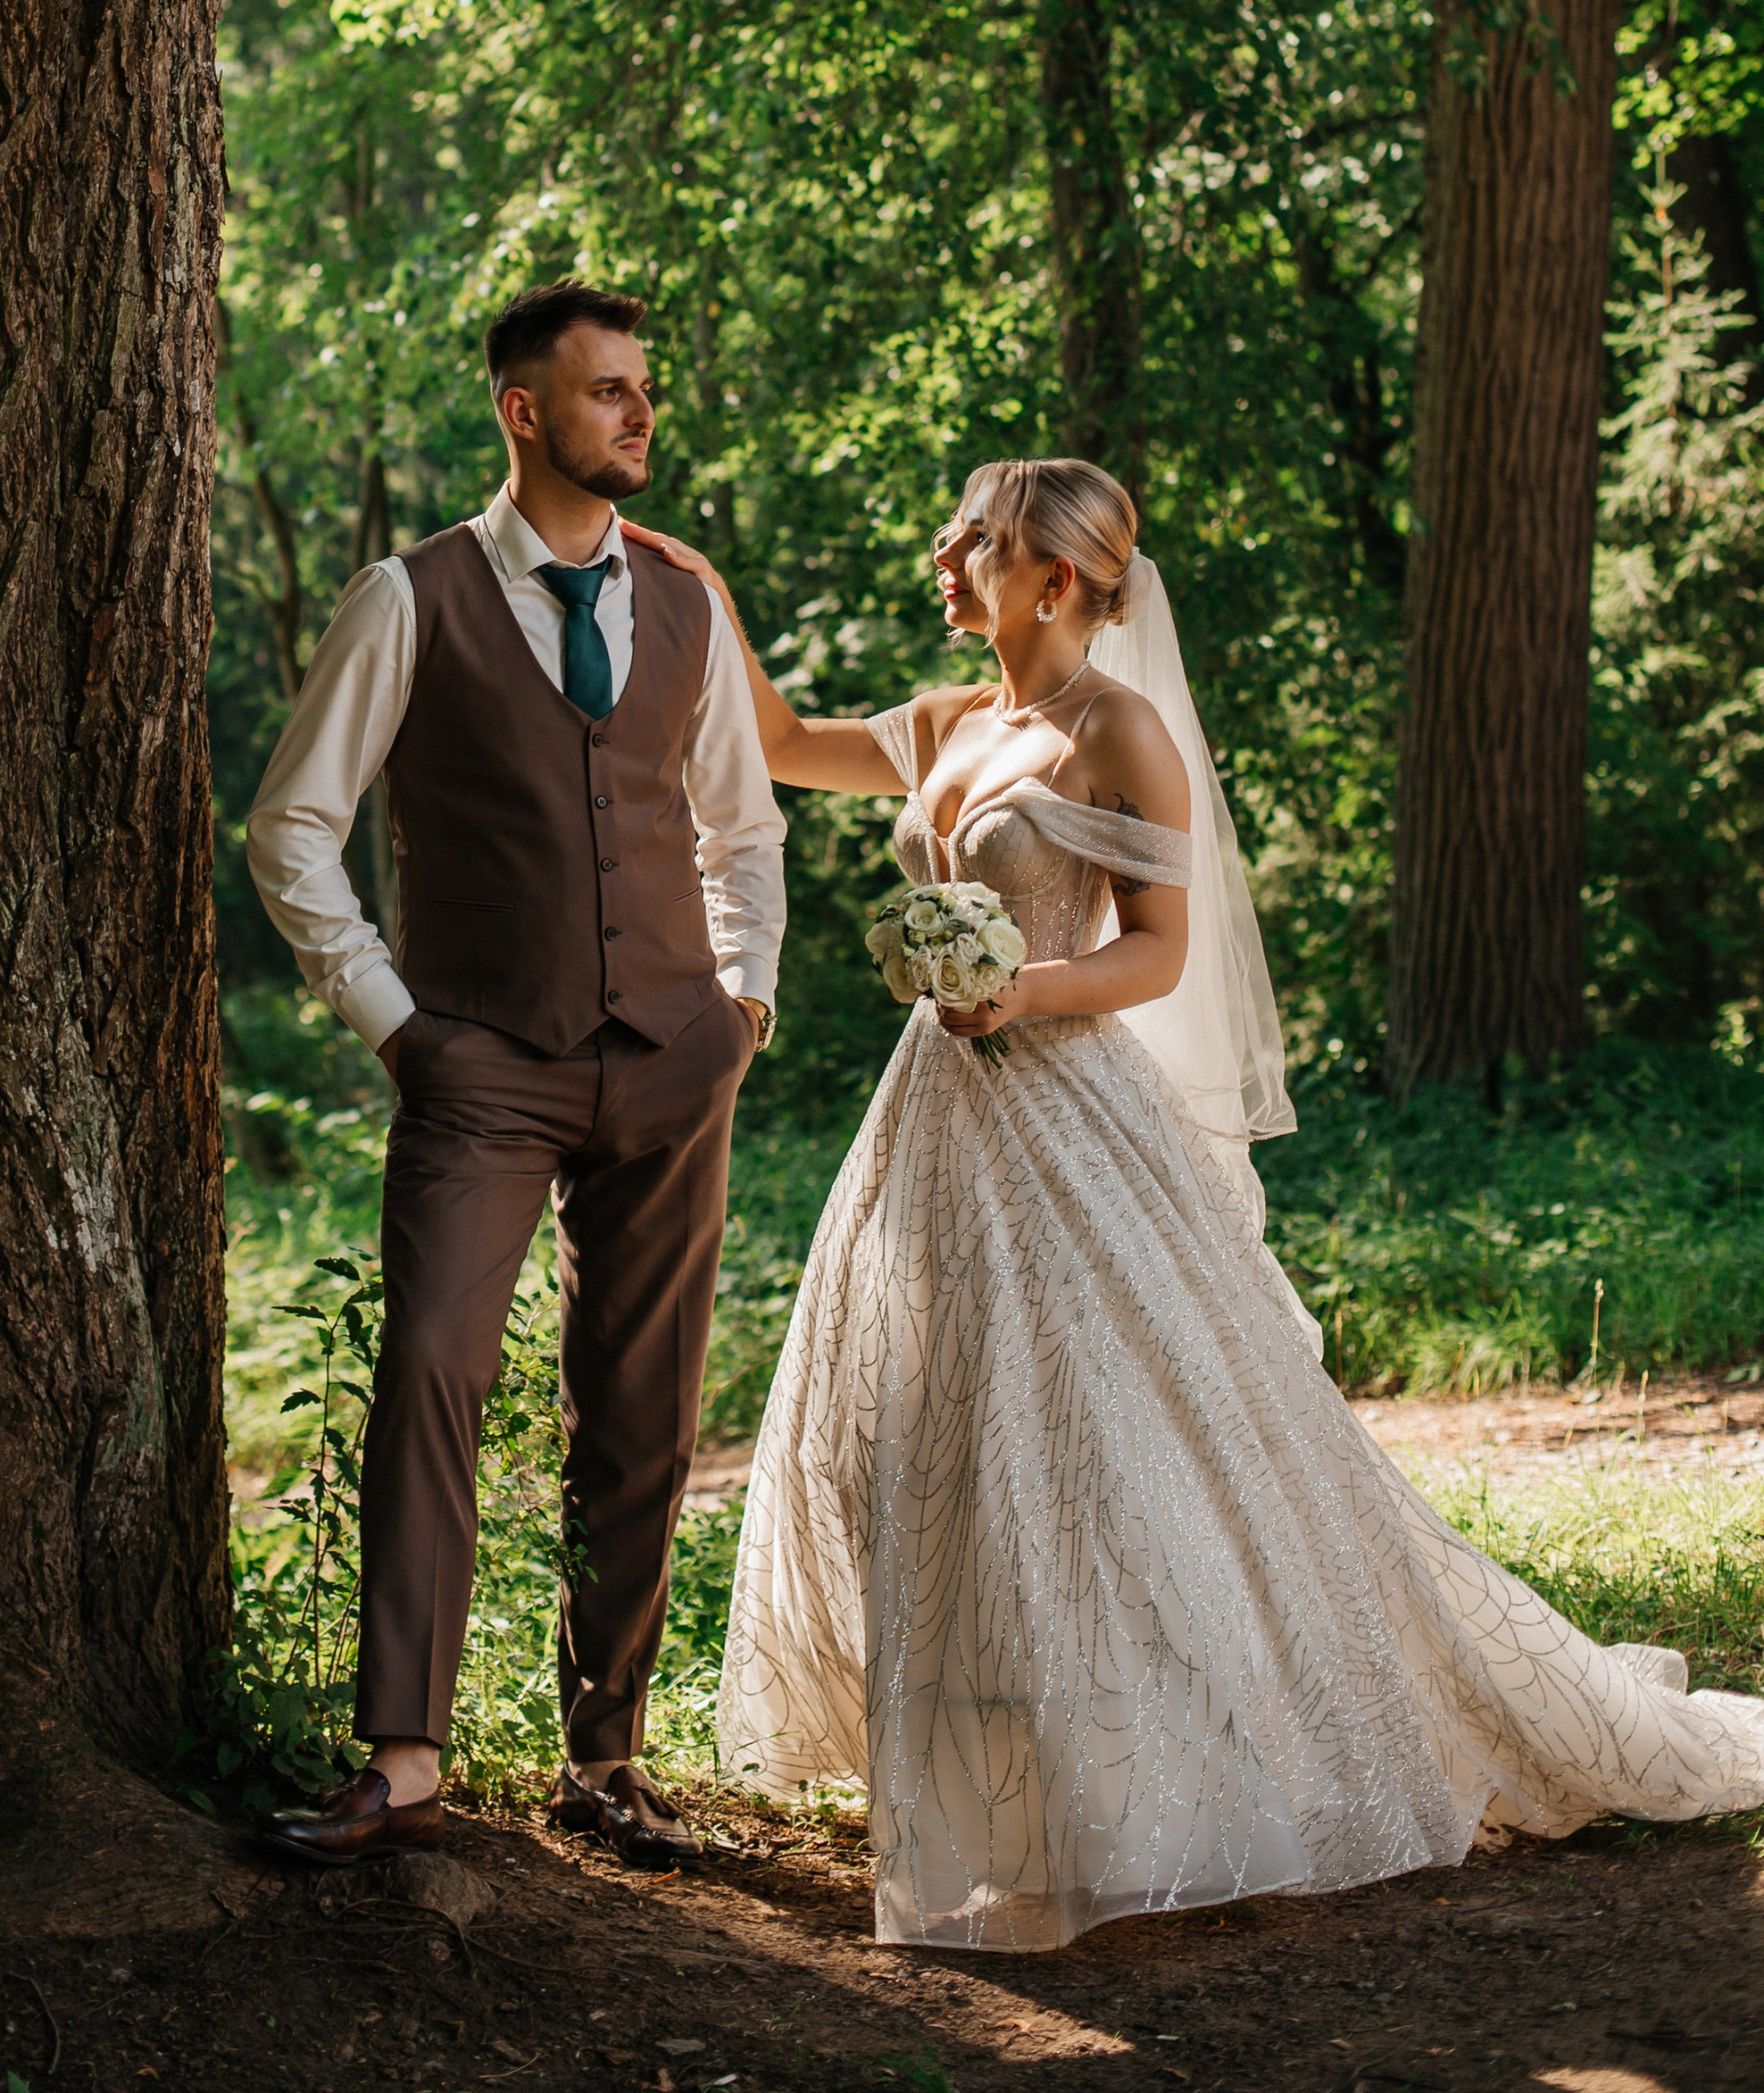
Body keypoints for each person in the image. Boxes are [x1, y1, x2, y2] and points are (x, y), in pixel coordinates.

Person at [637, 457, 1764, 1951]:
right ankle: (1007, 1776)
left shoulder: (1120, 733)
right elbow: (780, 745)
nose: (942, 557)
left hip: (1063, 1099)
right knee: (950, 1421)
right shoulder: (948, 720)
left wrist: (1018, 990)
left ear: (1053, 577)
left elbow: (1159, 949)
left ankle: (1174, 1773)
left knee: (1098, 1427)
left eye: (972, 541)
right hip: (934, 1114)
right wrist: (707, 594)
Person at [245, 281, 785, 1869]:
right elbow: (293, 827)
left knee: (644, 1404)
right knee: (431, 1366)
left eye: (643, 388)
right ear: (523, 411)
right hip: (478, 1061)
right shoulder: (407, 599)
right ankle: (406, 1759)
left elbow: (742, 827)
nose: (639, 412)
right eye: (607, 389)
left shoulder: (684, 600)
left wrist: (742, 1005)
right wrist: (395, 1022)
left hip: (673, 1058)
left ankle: (605, 1760)